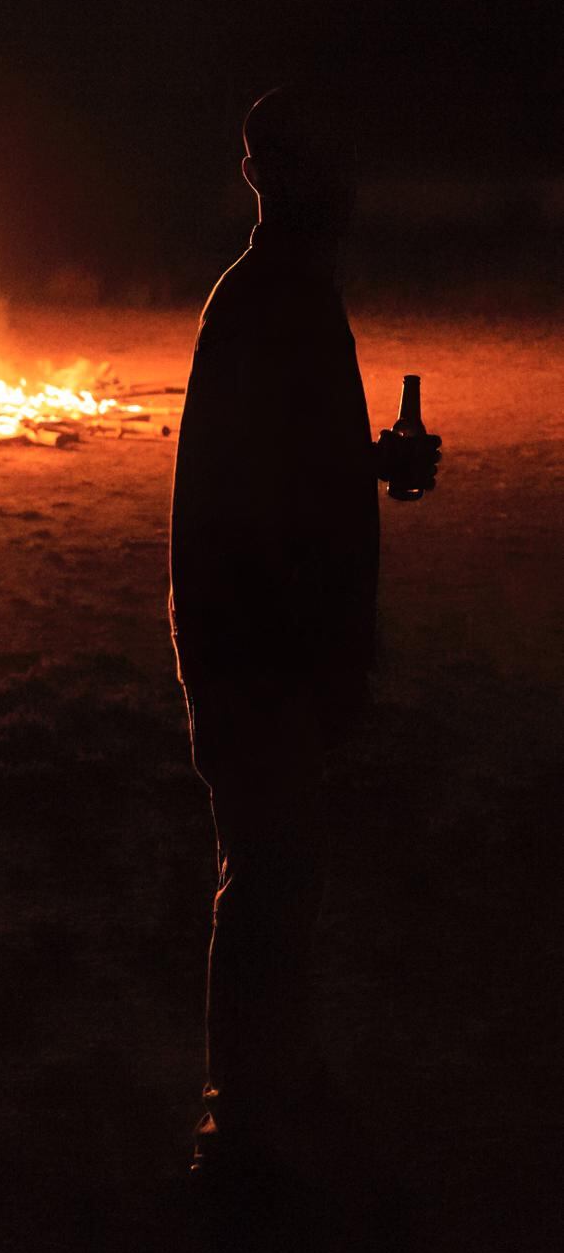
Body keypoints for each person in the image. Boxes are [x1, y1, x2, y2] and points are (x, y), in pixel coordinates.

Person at [168, 85, 441, 1185]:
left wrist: (373, 467)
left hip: (268, 652)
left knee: (281, 876)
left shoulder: (281, 293)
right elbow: (247, 502)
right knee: (267, 876)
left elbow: (284, 468)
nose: (357, 188)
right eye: (339, 168)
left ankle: (274, 1079)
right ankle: (236, 1122)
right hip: (257, 652)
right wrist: (293, 666)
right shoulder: (268, 302)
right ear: (302, 182)